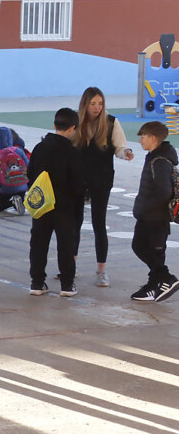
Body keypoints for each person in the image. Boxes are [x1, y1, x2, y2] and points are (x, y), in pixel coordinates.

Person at [75, 86, 134, 288]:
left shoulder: (111, 122)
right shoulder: (76, 122)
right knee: (74, 222)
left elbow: (120, 146)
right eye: (93, 103)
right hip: (78, 178)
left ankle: (101, 271)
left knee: (99, 223)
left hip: (102, 178)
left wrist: (125, 152)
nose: (97, 107)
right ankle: (70, 266)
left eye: (100, 103)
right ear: (85, 104)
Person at [27, 108, 85, 297]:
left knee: (38, 243)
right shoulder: (72, 152)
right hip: (64, 206)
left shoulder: (39, 148)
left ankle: (37, 283)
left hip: (41, 204)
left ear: (54, 125)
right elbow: (78, 184)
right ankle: (67, 285)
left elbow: (30, 174)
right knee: (65, 245)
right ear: (73, 128)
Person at [129, 121, 179, 303]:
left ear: (153, 138)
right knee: (140, 246)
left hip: (155, 218)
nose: (140, 140)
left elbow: (164, 191)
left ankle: (165, 279)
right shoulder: (154, 157)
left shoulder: (159, 161)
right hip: (148, 215)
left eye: (143, 136)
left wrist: (146, 208)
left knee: (149, 249)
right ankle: (155, 282)